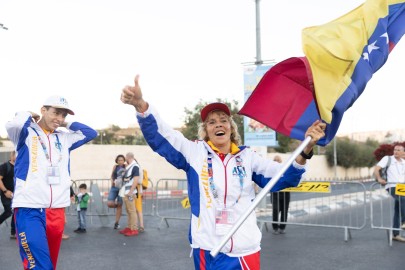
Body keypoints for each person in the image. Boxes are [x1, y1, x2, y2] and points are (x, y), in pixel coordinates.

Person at [120, 75, 326, 269]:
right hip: (207, 249)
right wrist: (141, 105)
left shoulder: (248, 157)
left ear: (231, 128)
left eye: (223, 120)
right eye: (211, 122)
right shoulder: (194, 152)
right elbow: (162, 136)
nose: (218, 123)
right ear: (206, 131)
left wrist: (306, 148)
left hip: (244, 252)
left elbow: (284, 177)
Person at [5, 95, 97, 269]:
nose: (59, 118)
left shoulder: (64, 138)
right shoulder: (25, 133)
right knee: (39, 266)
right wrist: (26, 113)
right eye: (56, 113)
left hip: (56, 211)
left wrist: (65, 124)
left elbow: (91, 133)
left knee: (50, 265)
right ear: (43, 110)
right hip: (29, 208)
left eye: (63, 115)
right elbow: (15, 124)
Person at [374, 144, 405, 242]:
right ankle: (404, 222)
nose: (396, 151)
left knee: (398, 209)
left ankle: (395, 234)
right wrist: (379, 178)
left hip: (402, 187)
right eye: (395, 149)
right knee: (403, 199)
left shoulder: (404, 162)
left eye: (399, 150)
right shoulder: (388, 159)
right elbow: (376, 168)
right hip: (392, 186)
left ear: (403, 153)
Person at [118, 152, 142, 237]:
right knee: (129, 211)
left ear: (128, 158)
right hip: (126, 191)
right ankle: (129, 227)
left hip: (129, 192)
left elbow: (136, 180)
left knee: (132, 211)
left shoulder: (135, 166)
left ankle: (134, 229)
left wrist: (131, 192)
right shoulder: (130, 166)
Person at [270, 155, 291, 235]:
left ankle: (282, 227)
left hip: (285, 192)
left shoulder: (285, 169)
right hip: (275, 192)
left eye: (278, 161)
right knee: (275, 210)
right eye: (275, 161)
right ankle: (275, 227)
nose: (276, 162)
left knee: (284, 210)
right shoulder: (271, 170)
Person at [0, 150, 16, 239]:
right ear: (12, 156)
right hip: (6, 193)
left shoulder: (20, 167)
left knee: (15, 212)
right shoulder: (4, 166)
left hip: (17, 194)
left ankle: (13, 232)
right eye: (15, 155)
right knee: (8, 211)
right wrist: (5, 191)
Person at [107, 154, 126, 229]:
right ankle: (119, 207)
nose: (120, 161)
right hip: (114, 187)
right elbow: (111, 176)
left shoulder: (126, 166)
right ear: (117, 161)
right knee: (109, 203)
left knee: (119, 204)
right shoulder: (115, 167)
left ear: (124, 160)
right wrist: (112, 181)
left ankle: (116, 223)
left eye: (121, 160)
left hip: (122, 188)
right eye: (119, 160)